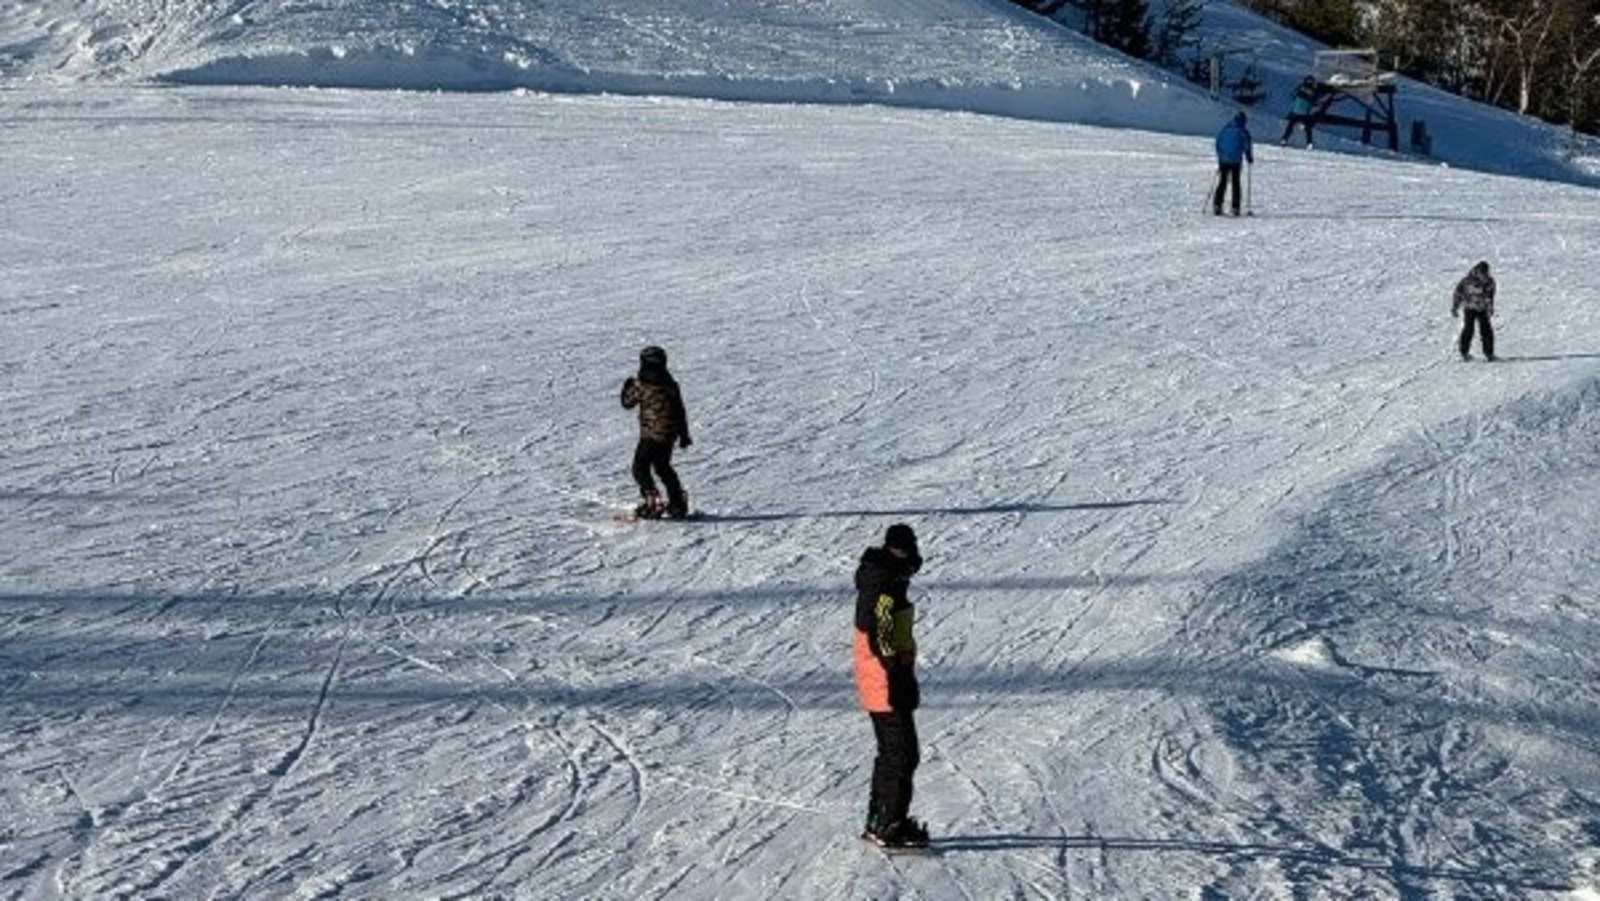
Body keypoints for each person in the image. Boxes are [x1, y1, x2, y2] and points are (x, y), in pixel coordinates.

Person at [853, 522, 929, 849]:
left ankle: (880, 820)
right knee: (902, 756)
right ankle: (889, 825)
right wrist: (895, 670)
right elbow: (879, 635)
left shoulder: (884, 579)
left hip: (881, 680)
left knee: (891, 755)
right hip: (884, 683)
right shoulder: (884, 586)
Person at [619, 345, 693, 517]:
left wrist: (626, 386)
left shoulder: (641, 385)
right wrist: (683, 434)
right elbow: (680, 410)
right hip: (669, 433)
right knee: (662, 466)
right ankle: (677, 502)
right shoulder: (671, 385)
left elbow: (627, 403)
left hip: (651, 435)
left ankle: (652, 501)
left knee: (640, 468)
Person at [1452, 261, 1497, 361]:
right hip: (1470, 308)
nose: (1484, 275)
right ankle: (1464, 352)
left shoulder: (1490, 281)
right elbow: (1458, 293)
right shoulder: (1467, 281)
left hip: (1482, 309)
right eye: (1483, 273)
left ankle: (1489, 353)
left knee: (1486, 330)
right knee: (1468, 329)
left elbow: (1490, 296)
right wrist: (1455, 306)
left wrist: (1490, 307)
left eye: (1486, 273)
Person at [1213, 111, 1254, 217]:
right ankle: (1235, 207)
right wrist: (1249, 157)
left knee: (1222, 182)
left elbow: (1218, 142)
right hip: (1235, 161)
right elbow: (1247, 145)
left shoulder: (1225, 129)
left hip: (1223, 160)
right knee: (1236, 183)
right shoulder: (1243, 131)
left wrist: (1220, 156)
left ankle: (1217, 205)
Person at [1280, 76, 1320, 148]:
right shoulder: (1313, 90)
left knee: (1290, 126)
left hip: (1295, 110)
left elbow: (1292, 95)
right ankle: (1309, 143)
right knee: (1308, 128)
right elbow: (1315, 102)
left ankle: (1284, 139)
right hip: (1304, 113)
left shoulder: (1300, 87)